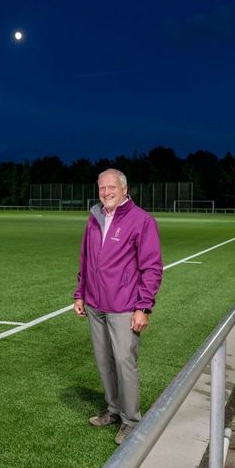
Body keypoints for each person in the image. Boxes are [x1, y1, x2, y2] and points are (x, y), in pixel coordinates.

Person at [73, 168, 162, 445]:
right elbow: (86, 259)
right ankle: (113, 410)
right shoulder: (94, 217)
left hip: (124, 306)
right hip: (95, 304)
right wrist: (80, 294)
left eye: (111, 187)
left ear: (124, 189)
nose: (106, 192)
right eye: (102, 188)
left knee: (124, 362)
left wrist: (143, 307)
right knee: (104, 361)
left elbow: (152, 267)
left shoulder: (141, 220)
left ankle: (131, 421)